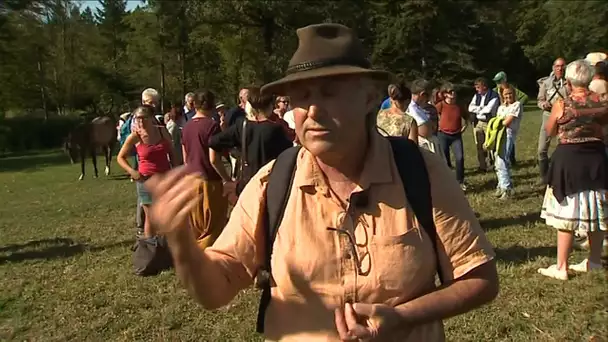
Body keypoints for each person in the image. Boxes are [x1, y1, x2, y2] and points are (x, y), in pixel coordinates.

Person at [145, 23, 498, 341]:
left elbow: (479, 279)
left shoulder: (419, 171)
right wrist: (183, 244)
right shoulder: (272, 184)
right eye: (301, 97)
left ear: (370, 97)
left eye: (329, 92)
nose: (311, 110)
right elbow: (215, 290)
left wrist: (402, 317)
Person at [537, 60, 608, 280]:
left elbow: (549, 130)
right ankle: (594, 260)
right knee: (597, 209)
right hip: (596, 157)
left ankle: (561, 266)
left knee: (565, 215)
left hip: (569, 160)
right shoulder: (602, 102)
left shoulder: (563, 103)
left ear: (568, 81)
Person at [209, 87, 293, 195]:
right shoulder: (276, 129)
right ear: (270, 105)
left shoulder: (242, 125)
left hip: (245, 185)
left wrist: (226, 178)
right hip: (270, 185)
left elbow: (213, 144)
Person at [181, 90, 231, 249]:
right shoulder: (211, 126)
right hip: (209, 181)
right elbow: (213, 159)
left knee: (197, 224)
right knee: (213, 225)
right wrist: (227, 179)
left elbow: (185, 158)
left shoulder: (186, 127)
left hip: (191, 180)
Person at [117, 105, 175, 238]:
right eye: (138, 118)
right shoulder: (135, 137)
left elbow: (172, 152)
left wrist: (176, 170)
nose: (141, 122)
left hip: (164, 178)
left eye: (144, 118)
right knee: (150, 216)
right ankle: (151, 246)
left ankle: (165, 244)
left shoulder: (162, 132)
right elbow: (120, 158)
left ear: (152, 118)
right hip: (146, 180)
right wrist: (132, 171)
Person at [537, 58, 568, 184]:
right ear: (553, 68)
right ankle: (544, 177)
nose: (559, 69)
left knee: (564, 148)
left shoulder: (569, 83)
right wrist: (543, 104)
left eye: (562, 66)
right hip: (548, 116)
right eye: (557, 66)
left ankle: (563, 175)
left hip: (564, 117)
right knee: (541, 149)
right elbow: (539, 99)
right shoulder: (546, 83)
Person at [492, 85, 523, 200]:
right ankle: (501, 184)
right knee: (497, 160)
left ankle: (507, 187)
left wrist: (497, 122)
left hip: (508, 135)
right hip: (498, 135)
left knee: (502, 160)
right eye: (506, 94)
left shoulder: (516, 105)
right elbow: (497, 120)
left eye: (510, 93)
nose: (508, 96)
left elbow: (507, 122)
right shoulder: (501, 107)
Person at [436, 83, 468, 190]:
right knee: (444, 159)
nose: (453, 93)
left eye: (454, 91)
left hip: (456, 136)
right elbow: (432, 115)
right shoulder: (440, 105)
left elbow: (466, 116)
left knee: (460, 158)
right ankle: (447, 181)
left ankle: (460, 181)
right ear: (445, 94)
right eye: (450, 92)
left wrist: (465, 126)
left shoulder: (459, 105)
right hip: (443, 135)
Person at [468, 78, 500, 171]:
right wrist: (481, 108)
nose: (476, 89)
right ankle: (482, 165)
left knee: (490, 145)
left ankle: (495, 164)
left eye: (478, 87)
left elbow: (488, 110)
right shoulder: (476, 96)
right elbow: (470, 108)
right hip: (478, 122)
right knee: (479, 145)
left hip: (489, 122)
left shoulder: (493, 96)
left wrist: (478, 109)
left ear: (484, 86)